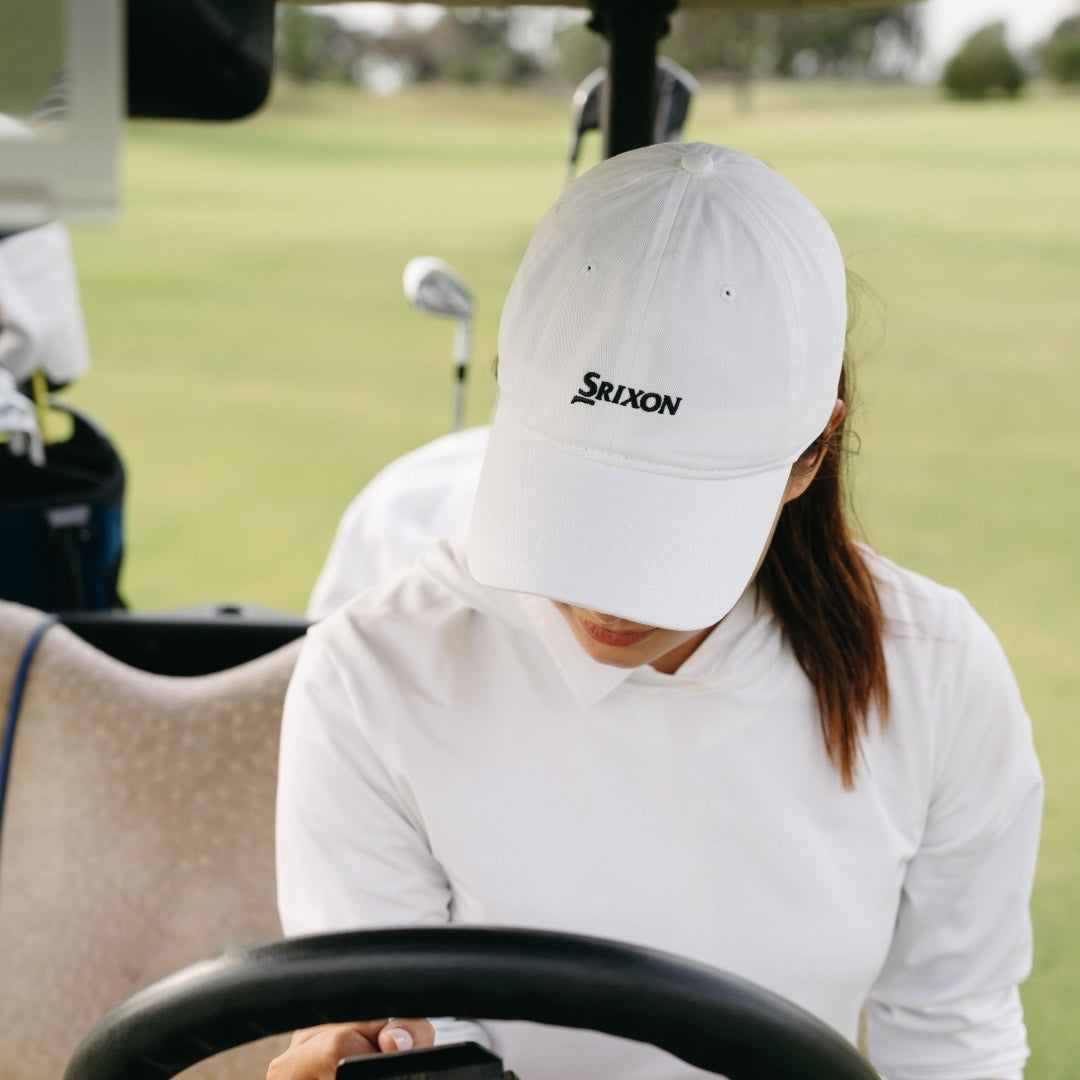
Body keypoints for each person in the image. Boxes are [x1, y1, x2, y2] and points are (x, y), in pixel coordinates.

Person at [271, 143, 1042, 1080]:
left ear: (811, 454)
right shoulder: (371, 675)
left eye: (661, 534)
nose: (601, 595)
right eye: (575, 502)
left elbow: (951, 1034)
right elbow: (401, 1038)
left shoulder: (936, 668)